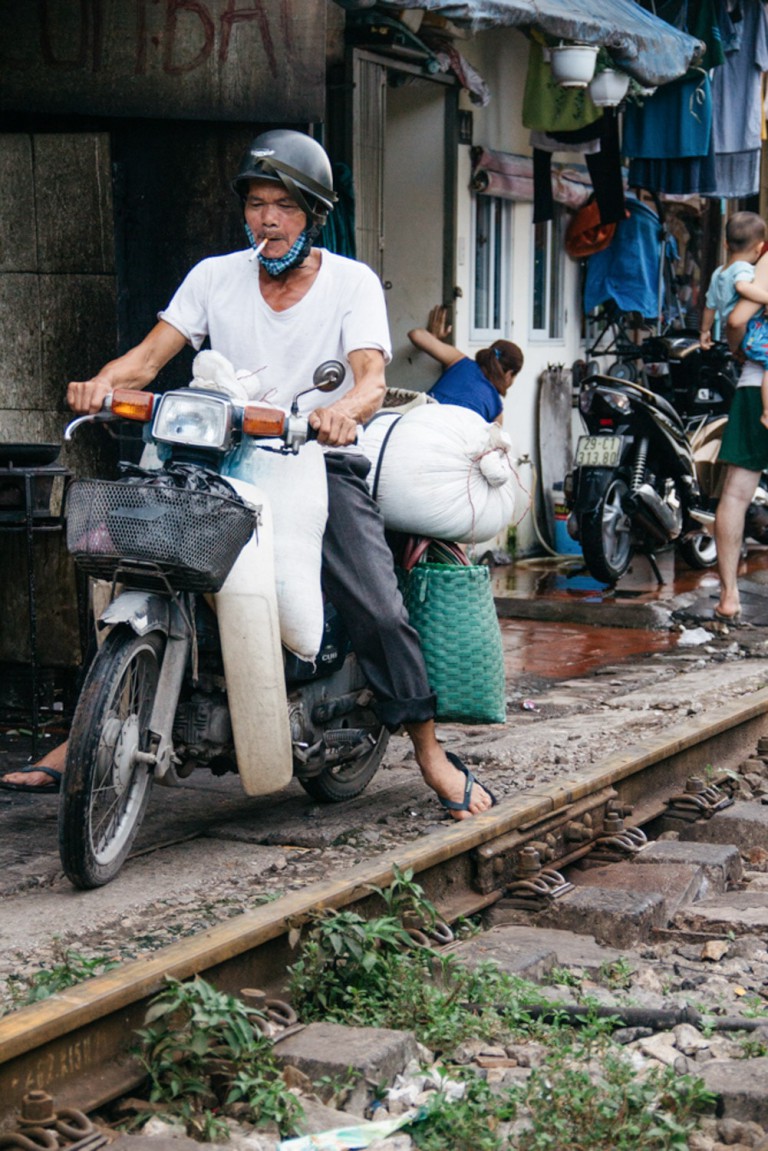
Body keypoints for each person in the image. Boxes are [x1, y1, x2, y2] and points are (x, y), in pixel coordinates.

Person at [0, 130, 495, 820]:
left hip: (317, 458)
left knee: (377, 603)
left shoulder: (350, 284)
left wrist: (344, 413)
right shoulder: (214, 277)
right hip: (215, 455)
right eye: (257, 204)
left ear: (313, 214)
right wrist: (97, 384)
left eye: (284, 207)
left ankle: (430, 751)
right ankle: (86, 730)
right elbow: (144, 362)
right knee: (121, 556)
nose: (267, 220)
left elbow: (370, 378)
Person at [713, 238, 768, 622]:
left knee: (735, 494)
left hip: (755, 385)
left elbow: (735, 320)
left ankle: (730, 596)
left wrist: (738, 349)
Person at [699, 211, 768, 429]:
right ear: (759, 248)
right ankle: (767, 411)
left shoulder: (719, 272)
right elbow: (742, 291)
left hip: (743, 336)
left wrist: (704, 331)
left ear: (726, 245)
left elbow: (710, 306)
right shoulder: (744, 270)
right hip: (754, 330)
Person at [407, 305, 523, 424]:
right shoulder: (495, 410)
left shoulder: (460, 361)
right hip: (447, 439)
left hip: (418, 422)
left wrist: (434, 338)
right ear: (509, 374)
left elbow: (416, 335)